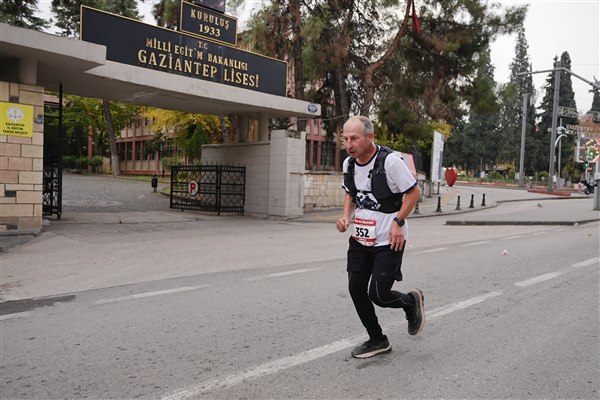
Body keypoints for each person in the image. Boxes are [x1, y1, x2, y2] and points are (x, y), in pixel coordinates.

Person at [336, 115, 424, 359]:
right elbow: (350, 193)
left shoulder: (390, 161)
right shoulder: (349, 164)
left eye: (354, 138)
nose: (349, 144)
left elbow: (413, 192)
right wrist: (345, 217)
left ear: (370, 137)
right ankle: (377, 339)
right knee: (356, 289)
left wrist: (398, 222)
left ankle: (410, 302)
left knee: (379, 295)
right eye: (345, 139)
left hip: (389, 239)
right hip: (361, 238)